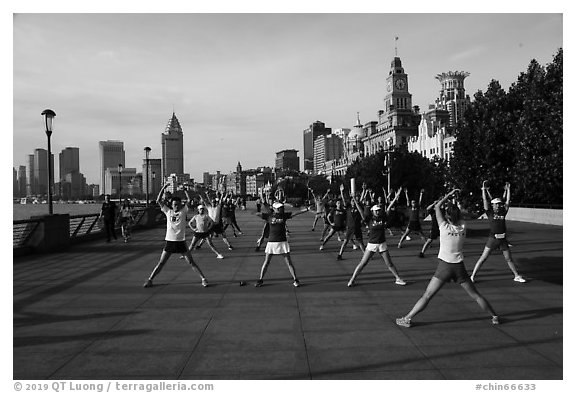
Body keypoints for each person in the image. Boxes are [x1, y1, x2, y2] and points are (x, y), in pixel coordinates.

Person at [396, 189, 500, 327]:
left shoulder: (443, 226)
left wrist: (449, 194)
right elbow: (457, 215)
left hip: (444, 267)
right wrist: (455, 200)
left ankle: (407, 318)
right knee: (476, 296)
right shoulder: (463, 226)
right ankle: (494, 316)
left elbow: (437, 206)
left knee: (427, 295)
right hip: (459, 267)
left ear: (447, 216)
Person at [143, 183, 208, 288]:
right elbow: (158, 200)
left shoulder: (183, 211)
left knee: (191, 262)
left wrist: (185, 191)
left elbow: (189, 200)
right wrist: (163, 188)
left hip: (180, 241)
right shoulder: (168, 211)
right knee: (161, 263)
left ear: (180, 204)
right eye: (174, 204)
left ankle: (203, 279)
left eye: (178, 204)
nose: (176, 206)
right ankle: (150, 279)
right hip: (170, 241)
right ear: (171, 205)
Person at [347, 188, 407, 287]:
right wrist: (354, 198)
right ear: (372, 212)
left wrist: (397, 195)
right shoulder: (368, 219)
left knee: (389, 264)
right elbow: (361, 211)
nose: (378, 212)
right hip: (371, 244)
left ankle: (398, 278)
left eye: (379, 210)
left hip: (382, 244)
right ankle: (352, 279)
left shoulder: (383, 218)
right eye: (376, 211)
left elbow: (390, 206)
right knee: (363, 263)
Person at [470, 181, 526, 283]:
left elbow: (508, 201)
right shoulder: (489, 212)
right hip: (492, 239)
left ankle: (516, 276)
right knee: (483, 258)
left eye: (499, 204)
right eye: (496, 204)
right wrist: (483, 189)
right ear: (493, 205)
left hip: (503, 240)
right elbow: (484, 200)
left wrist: (508, 189)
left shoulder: (503, 212)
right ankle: (472, 276)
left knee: (509, 259)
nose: (498, 206)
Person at [254, 202, 310, 288]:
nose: (281, 209)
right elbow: (258, 214)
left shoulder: (284, 215)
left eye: (281, 208)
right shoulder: (269, 216)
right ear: (275, 208)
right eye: (279, 208)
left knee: (289, 262)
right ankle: (260, 279)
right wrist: (257, 212)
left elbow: (296, 213)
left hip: (282, 242)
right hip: (271, 242)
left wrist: (306, 209)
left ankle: (295, 279)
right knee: (266, 262)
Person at [336, 184, 365, 260]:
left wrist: (364, 190)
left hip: (357, 227)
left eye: (354, 200)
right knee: (345, 241)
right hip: (350, 227)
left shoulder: (359, 207)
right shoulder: (348, 207)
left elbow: (361, 199)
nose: (353, 201)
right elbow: (344, 200)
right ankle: (340, 255)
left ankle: (365, 255)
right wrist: (341, 192)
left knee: (360, 242)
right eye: (352, 200)